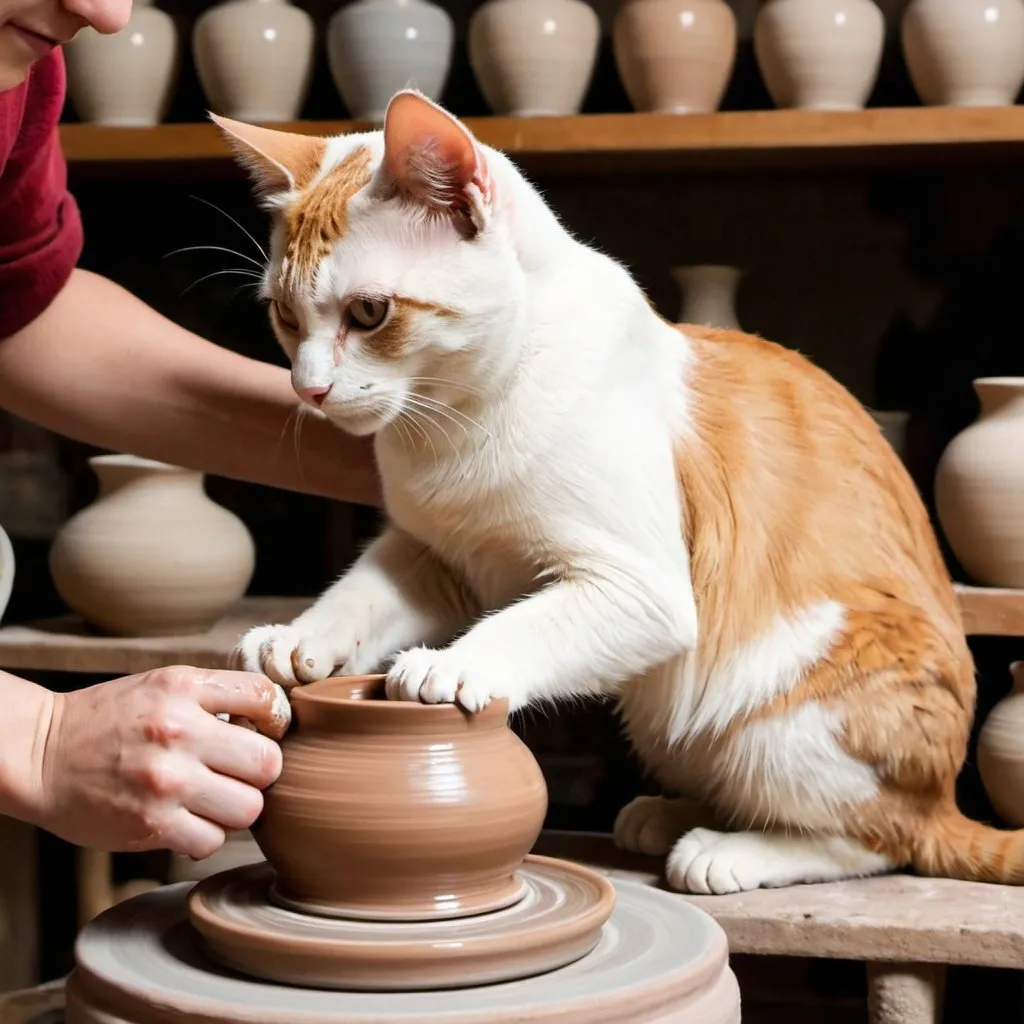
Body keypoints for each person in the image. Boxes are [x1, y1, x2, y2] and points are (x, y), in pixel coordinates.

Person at [0, 0, 380, 860]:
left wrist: (429, 458)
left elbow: (21, 311)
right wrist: (33, 739)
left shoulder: (18, 67)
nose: (104, 13)